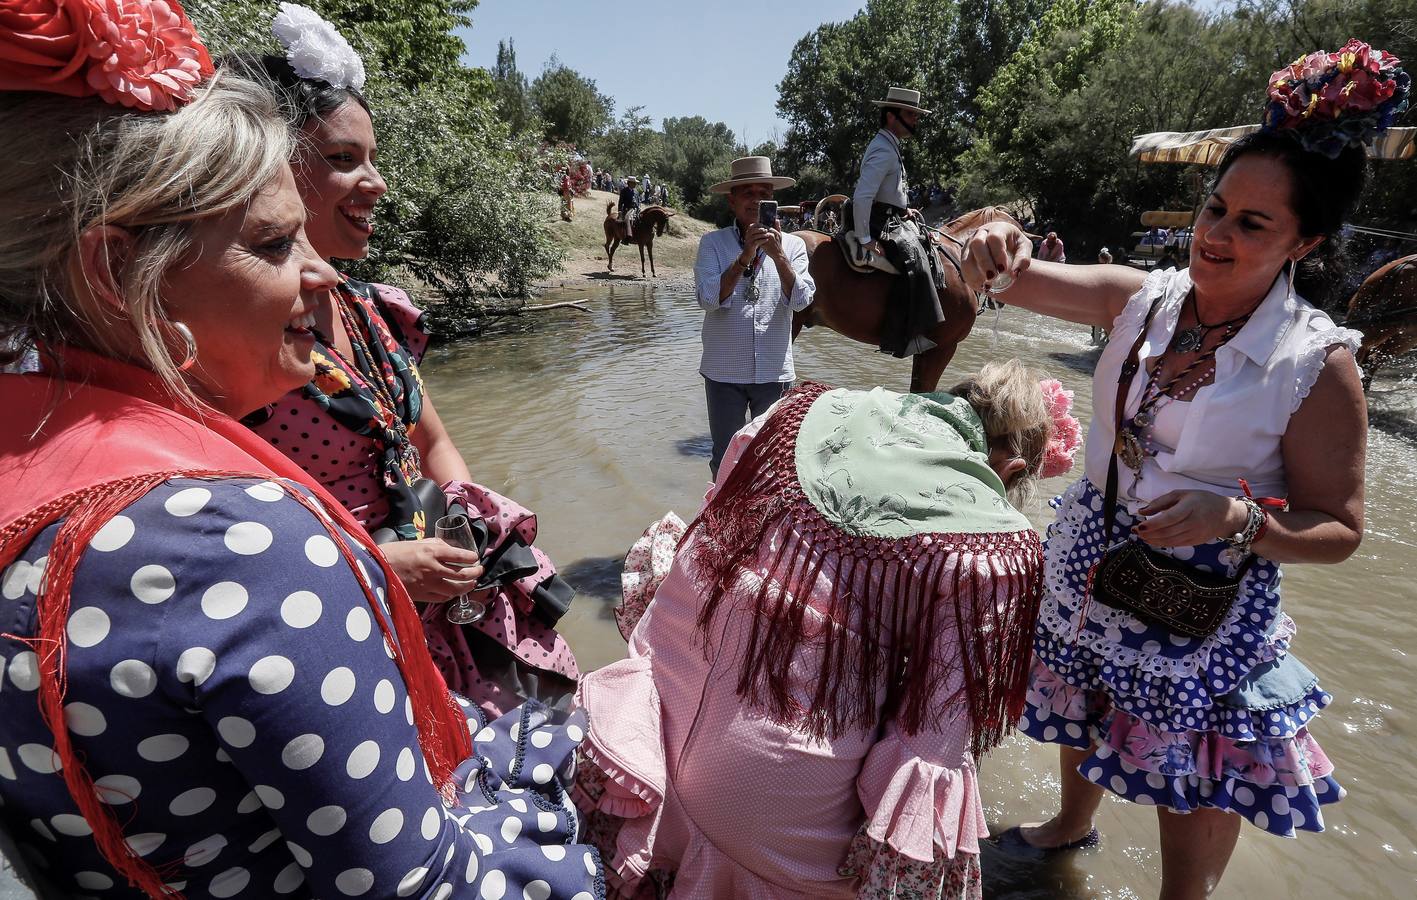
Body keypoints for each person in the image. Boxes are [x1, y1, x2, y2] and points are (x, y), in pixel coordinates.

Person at [0, 4, 602, 897]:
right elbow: (422, 882)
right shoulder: (240, 546)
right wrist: (548, 779)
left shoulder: (40, 450)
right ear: (116, 274)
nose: (315, 273)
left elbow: (429, 440)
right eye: (276, 243)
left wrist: (457, 530)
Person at [960, 38, 1403, 899]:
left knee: (1195, 755)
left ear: (1303, 242)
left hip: (1204, 588)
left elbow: (1341, 531)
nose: (1214, 235)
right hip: (1094, 544)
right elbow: (1022, 278)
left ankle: (1181, 896)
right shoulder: (1144, 300)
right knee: (1082, 692)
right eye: (1213, 208)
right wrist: (999, 244)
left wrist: (1236, 519)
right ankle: (1068, 827)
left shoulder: (1316, 363)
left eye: (1251, 224)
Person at [573, 364, 1083, 899]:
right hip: (766, 815)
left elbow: (706, 541)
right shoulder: (994, 551)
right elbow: (932, 745)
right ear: (1010, 468)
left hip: (643, 726)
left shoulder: (797, 411)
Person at [241, 10, 578, 718]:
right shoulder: (230, 338)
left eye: (371, 156)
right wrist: (379, 566)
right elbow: (227, 551)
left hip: (431, 587)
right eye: (342, 159)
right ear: (263, 164)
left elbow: (433, 441)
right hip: (337, 621)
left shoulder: (371, 311)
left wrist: (457, 519)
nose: (378, 182)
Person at [693, 156, 815, 478]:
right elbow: (707, 300)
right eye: (748, 193)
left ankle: (764, 525)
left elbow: (802, 302)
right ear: (731, 200)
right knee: (725, 461)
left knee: (775, 461)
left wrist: (779, 257)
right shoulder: (712, 244)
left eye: (764, 191)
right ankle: (721, 525)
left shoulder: (794, 245)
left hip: (775, 375)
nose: (757, 199)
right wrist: (744, 257)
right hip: (724, 373)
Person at [852, 86, 947, 357]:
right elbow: (863, 196)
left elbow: (888, 192)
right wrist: (865, 239)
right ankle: (905, 336)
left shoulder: (888, 145)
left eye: (916, 114)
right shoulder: (883, 149)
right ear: (892, 116)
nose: (915, 119)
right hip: (879, 222)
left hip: (892, 216)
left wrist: (904, 209)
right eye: (910, 114)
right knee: (914, 262)